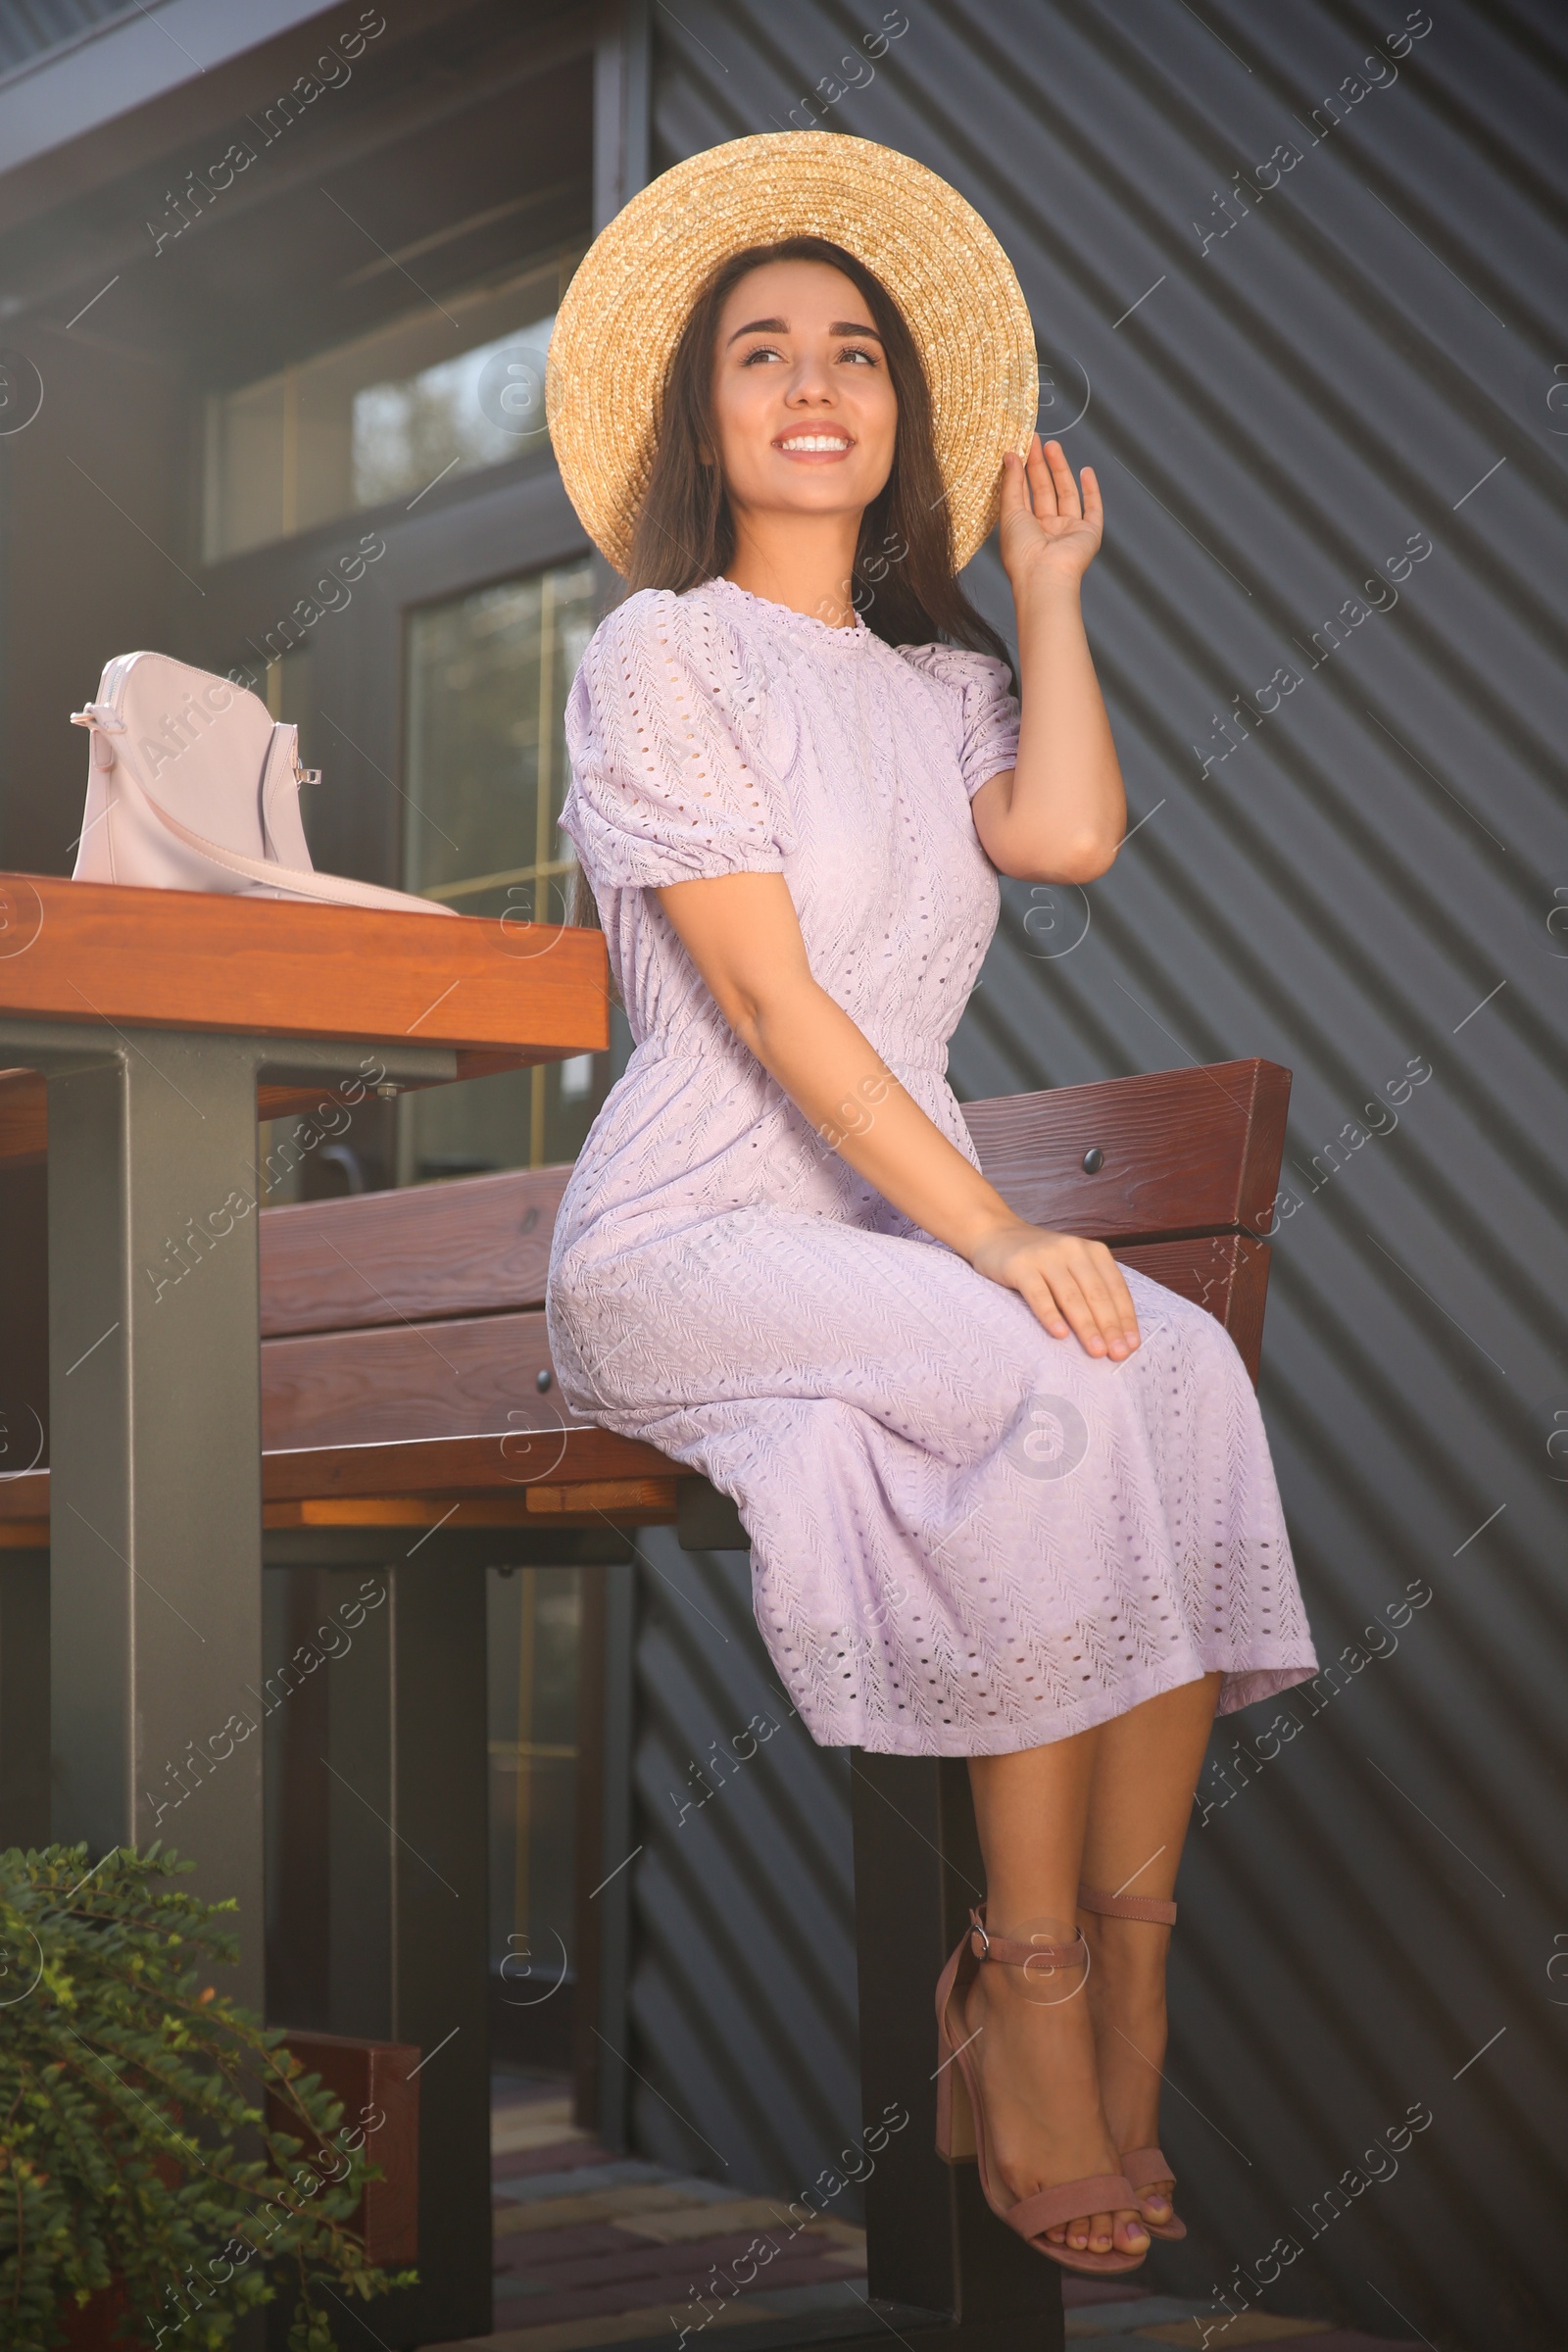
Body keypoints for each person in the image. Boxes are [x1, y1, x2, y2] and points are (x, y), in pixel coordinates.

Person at [544, 132, 1317, 2277]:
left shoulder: (938, 682)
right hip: (684, 1250)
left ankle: (1117, 1956)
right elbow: (777, 1009)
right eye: (761, 352)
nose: (813, 382)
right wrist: (987, 1232)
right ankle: (1030, 1980)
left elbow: (1062, 835)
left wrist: (1047, 594)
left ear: (899, 418)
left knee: (1164, 1368)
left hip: (880, 1253)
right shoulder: (658, 653)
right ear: (704, 418)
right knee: (1052, 1364)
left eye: (856, 353)